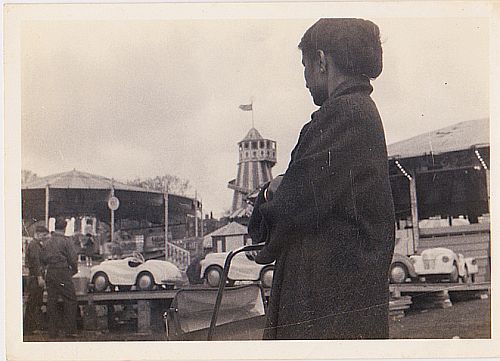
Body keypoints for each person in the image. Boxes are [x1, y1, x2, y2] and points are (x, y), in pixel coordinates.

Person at [248, 18, 395, 339]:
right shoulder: (359, 111)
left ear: (322, 61)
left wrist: (271, 193)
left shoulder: (344, 113)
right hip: (340, 300)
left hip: (327, 306)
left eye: (305, 65)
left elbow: (293, 205)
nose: (304, 78)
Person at [41, 217, 79, 339]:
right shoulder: (67, 241)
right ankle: (70, 331)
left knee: (52, 301)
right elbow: (73, 258)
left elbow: (42, 260)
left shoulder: (47, 242)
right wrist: (73, 270)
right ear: (65, 228)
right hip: (62, 272)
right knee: (70, 300)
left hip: (50, 272)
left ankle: (52, 332)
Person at [23, 225, 48, 336]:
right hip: (35, 277)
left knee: (35, 302)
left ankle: (32, 327)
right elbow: (36, 262)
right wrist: (39, 277)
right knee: (33, 303)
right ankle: (28, 328)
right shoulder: (34, 246)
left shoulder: (36, 245)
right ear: (37, 233)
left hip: (35, 276)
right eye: (43, 235)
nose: (44, 237)